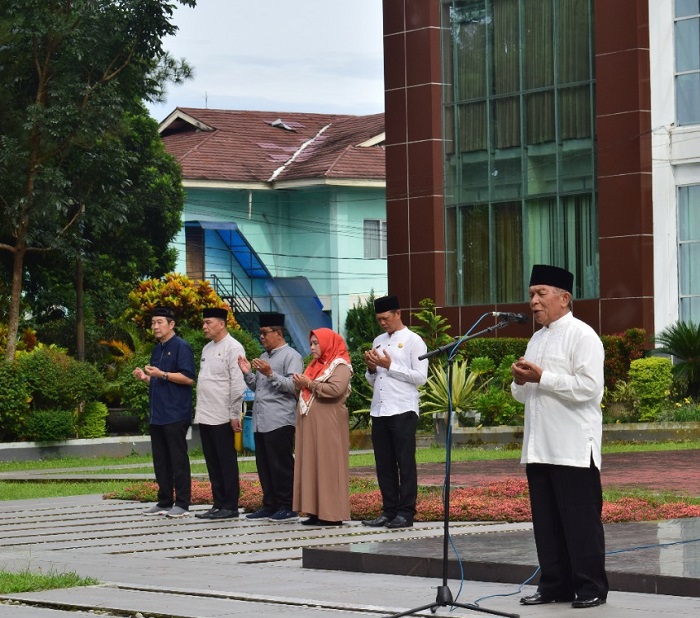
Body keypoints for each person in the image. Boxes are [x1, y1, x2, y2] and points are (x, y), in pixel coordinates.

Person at [511, 264, 609, 609]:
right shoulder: (537, 338)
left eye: (541, 294)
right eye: (531, 294)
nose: (534, 302)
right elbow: (524, 394)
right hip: (538, 447)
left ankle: (591, 587)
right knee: (547, 524)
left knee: (580, 524)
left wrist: (543, 377)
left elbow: (590, 389)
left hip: (572, 448)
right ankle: (554, 585)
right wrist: (521, 382)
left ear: (564, 298)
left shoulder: (583, 336)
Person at [361, 295, 428, 529]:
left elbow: (421, 377)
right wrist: (371, 368)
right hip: (380, 410)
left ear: (398, 314)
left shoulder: (413, 341)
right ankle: (388, 511)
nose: (382, 323)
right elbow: (374, 380)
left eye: (386, 318)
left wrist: (391, 366)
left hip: (403, 408)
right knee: (384, 464)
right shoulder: (378, 340)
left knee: (405, 463)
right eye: (378, 319)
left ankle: (406, 513)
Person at [237, 313, 303, 522]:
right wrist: (248, 373)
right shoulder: (264, 357)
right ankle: (270, 504)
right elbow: (258, 388)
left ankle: (288, 506)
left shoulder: (292, 356)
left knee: (281, 465)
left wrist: (270, 373)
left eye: (265, 333)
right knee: (264, 465)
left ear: (279, 333)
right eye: (260, 334)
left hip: (280, 420)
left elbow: (294, 386)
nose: (262, 338)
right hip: (261, 421)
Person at [133, 306, 195, 518]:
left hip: (176, 412)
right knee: (160, 459)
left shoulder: (181, 347)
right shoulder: (157, 349)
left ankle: (183, 503)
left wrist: (163, 374)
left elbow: (188, 378)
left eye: (159, 322)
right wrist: (146, 378)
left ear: (171, 324)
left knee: (177, 458)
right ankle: (164, 500)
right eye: (153, 323)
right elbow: (160, 378)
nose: (155, 326)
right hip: (158, 413)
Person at [292, 328, 353, 526]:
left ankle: (332, 514)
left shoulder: (340, 365)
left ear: (328, 342)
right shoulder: (315, 365)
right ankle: (315, 512)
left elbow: (335, 390)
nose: (312, 347)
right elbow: (303, 388)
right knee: (311, 464)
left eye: (316, 343)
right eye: (311, 343)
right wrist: (301, 384)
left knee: (328, 466)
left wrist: (308, 383)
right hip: (311, 424)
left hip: (329, 424)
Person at [194, 307, 246, 520]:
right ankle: (218, 503)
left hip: (223, 415)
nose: (204, 327)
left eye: (209, 322)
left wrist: (234, 413)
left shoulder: (233, 347)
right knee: (212, 462)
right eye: (204, 323)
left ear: (222, 324)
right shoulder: (207, 349)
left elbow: (237, 383)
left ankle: (230, 506)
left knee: (226, 461)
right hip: (206, 413)